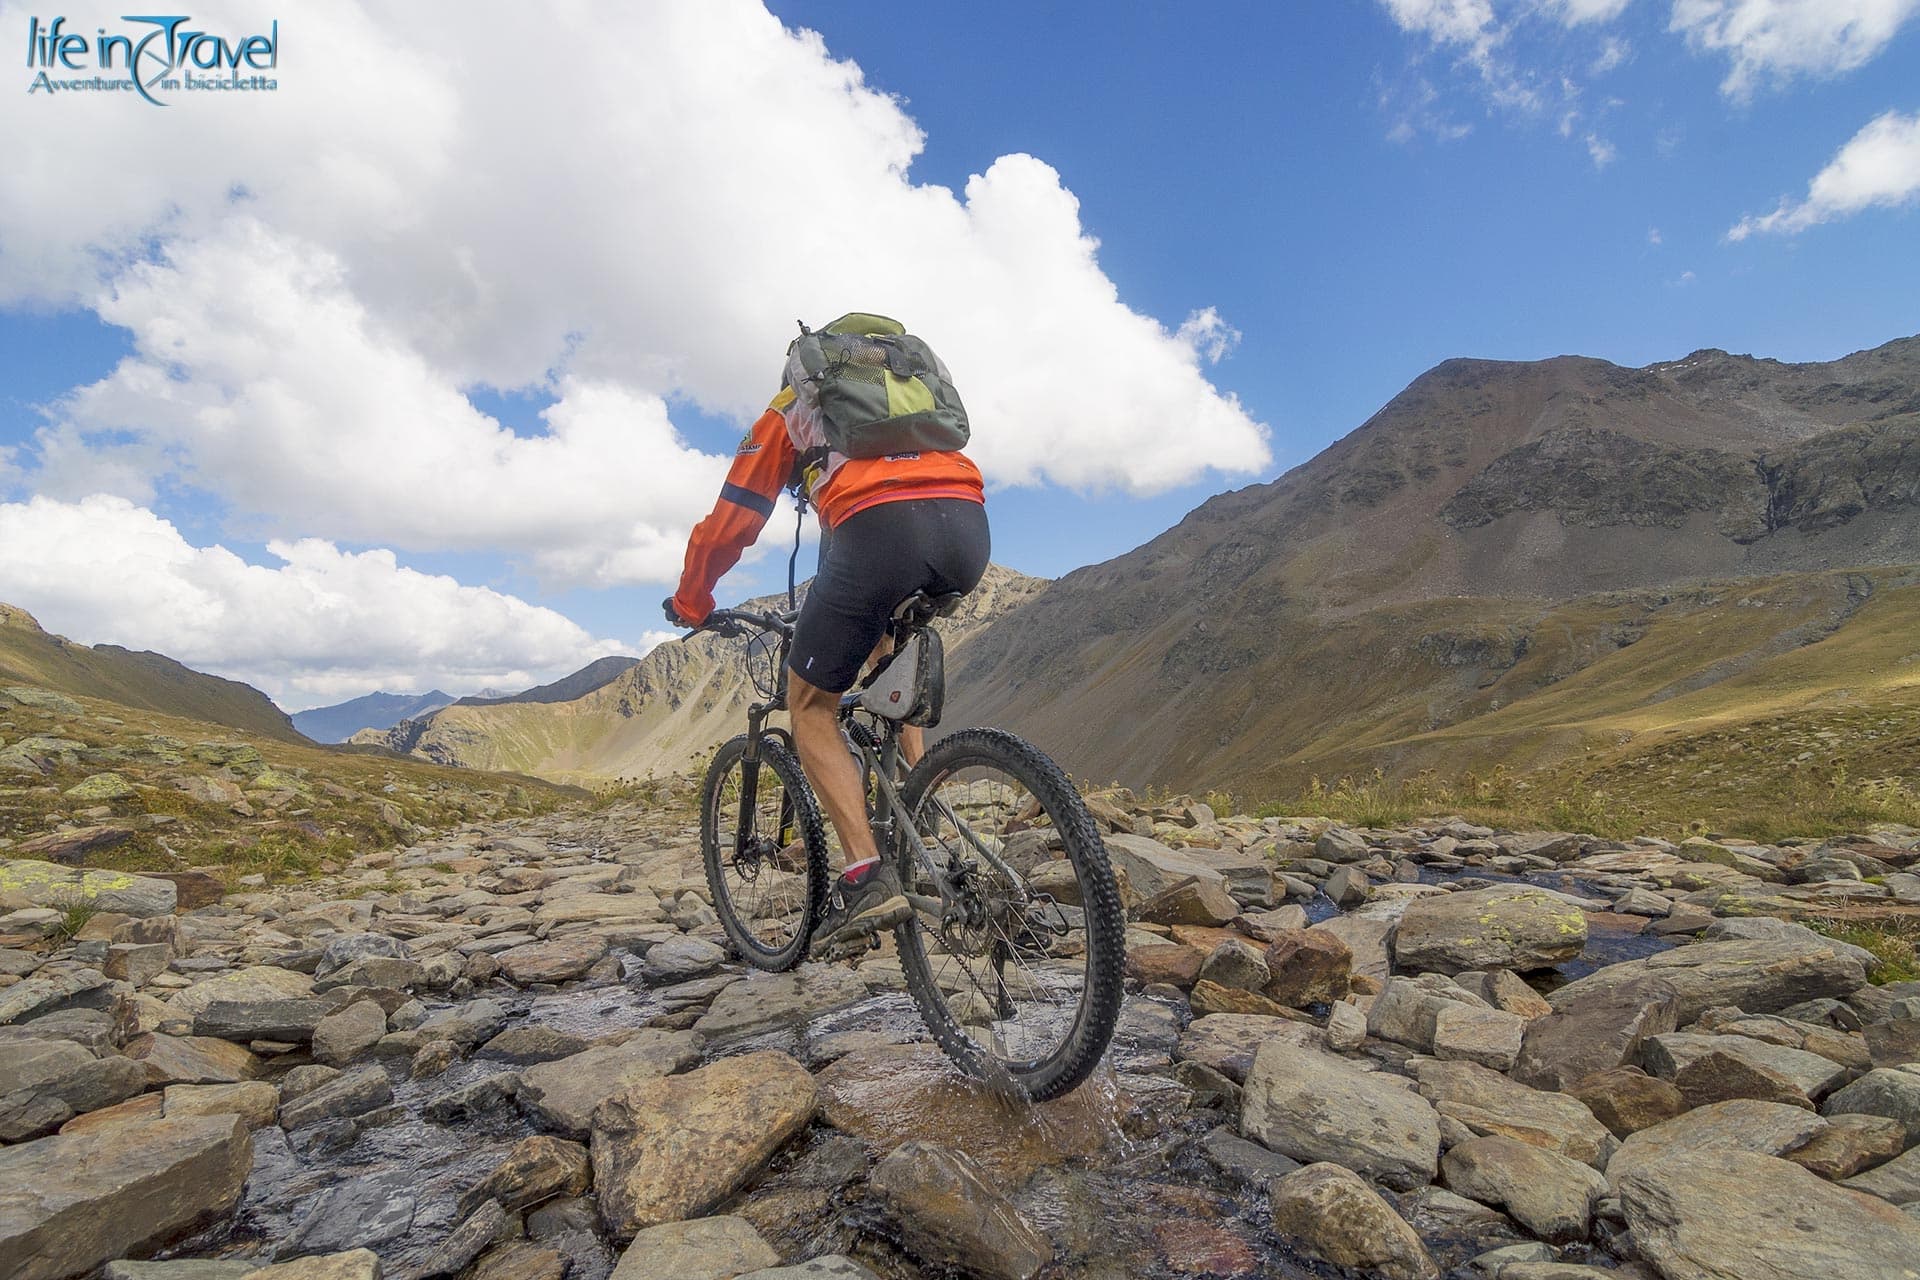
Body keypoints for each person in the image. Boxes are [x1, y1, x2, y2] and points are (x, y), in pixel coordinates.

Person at [664, 337, 990, 956]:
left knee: (811, 707)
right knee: (883, 650)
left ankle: (869, 877)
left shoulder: (792, 407)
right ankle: (914, 806)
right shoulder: (911, 403)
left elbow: (732, 519)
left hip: (876, 532)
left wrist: (692, 601)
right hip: (967, 528)